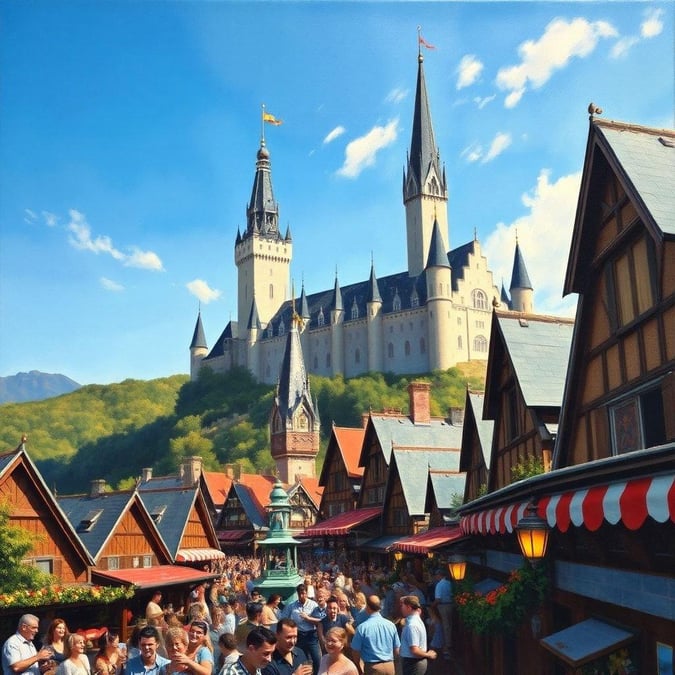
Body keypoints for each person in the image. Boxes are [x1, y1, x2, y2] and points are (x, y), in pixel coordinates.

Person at [350, 596, 400, 675]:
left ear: (367, 607)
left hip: (372, 668)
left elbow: (355, 651)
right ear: (380, 607)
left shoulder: (362, 628)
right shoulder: (391, 625)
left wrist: (358, 666)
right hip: (389, 665)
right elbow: (397, 650)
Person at [281, 585, 320, 673]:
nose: (302, 596)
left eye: (304, 593)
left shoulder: (313, 605)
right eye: (300, 594)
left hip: (311, 635)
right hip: (299, 635)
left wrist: (308, 618)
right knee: (301, 659)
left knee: (317, 659)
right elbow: (283, 618)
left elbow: (319, 621)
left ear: (306, 593)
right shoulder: (292, 606)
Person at [399, 596, 436, 675]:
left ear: (408, 607)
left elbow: (414, 650)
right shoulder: (416, 621)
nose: (401, 608)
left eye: (402, 606)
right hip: (415, 663)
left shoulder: (412, 625)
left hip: (413, 664)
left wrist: (428, 655)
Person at [431, 570, 452, 660]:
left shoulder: (439, 585)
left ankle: (446, 646)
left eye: (436, 575)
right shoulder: (449, 583)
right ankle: (448, 644)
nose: (435, 577)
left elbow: (438, 599)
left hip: (443, 606)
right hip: (451, 605)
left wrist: (432, 606)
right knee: (449, 626)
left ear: (439, 575)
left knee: (445, 626)